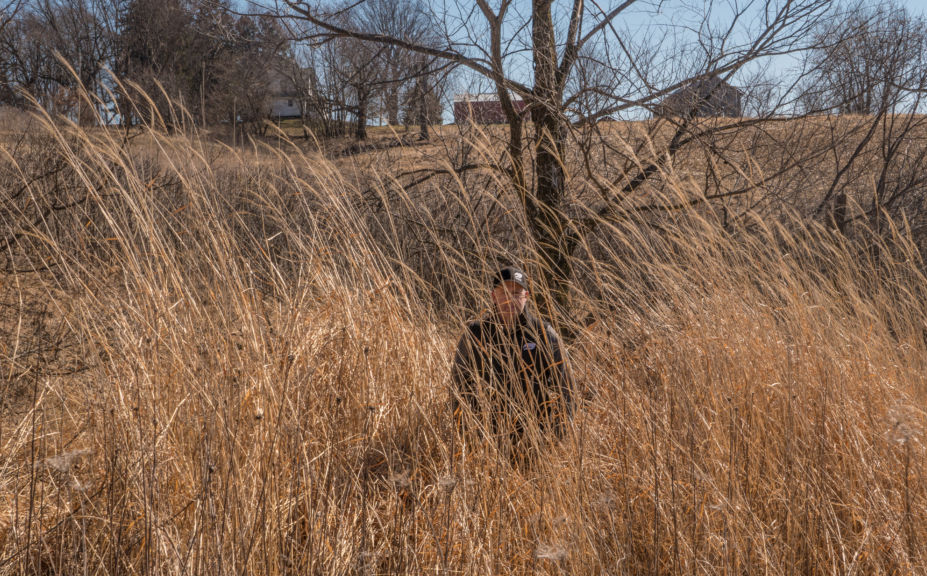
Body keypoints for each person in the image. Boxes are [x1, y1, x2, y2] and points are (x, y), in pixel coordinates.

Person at [450, 266, 574, 456]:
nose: (510, 300)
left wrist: (552, 439)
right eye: (503, 293)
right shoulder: (475, 334)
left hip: (535, 446)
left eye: (516, 293)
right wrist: (469, 438)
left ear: (527, 296)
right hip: (486, 446)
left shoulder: (544, 333)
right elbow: (458, 389)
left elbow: (567, 389)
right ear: (493, 296)